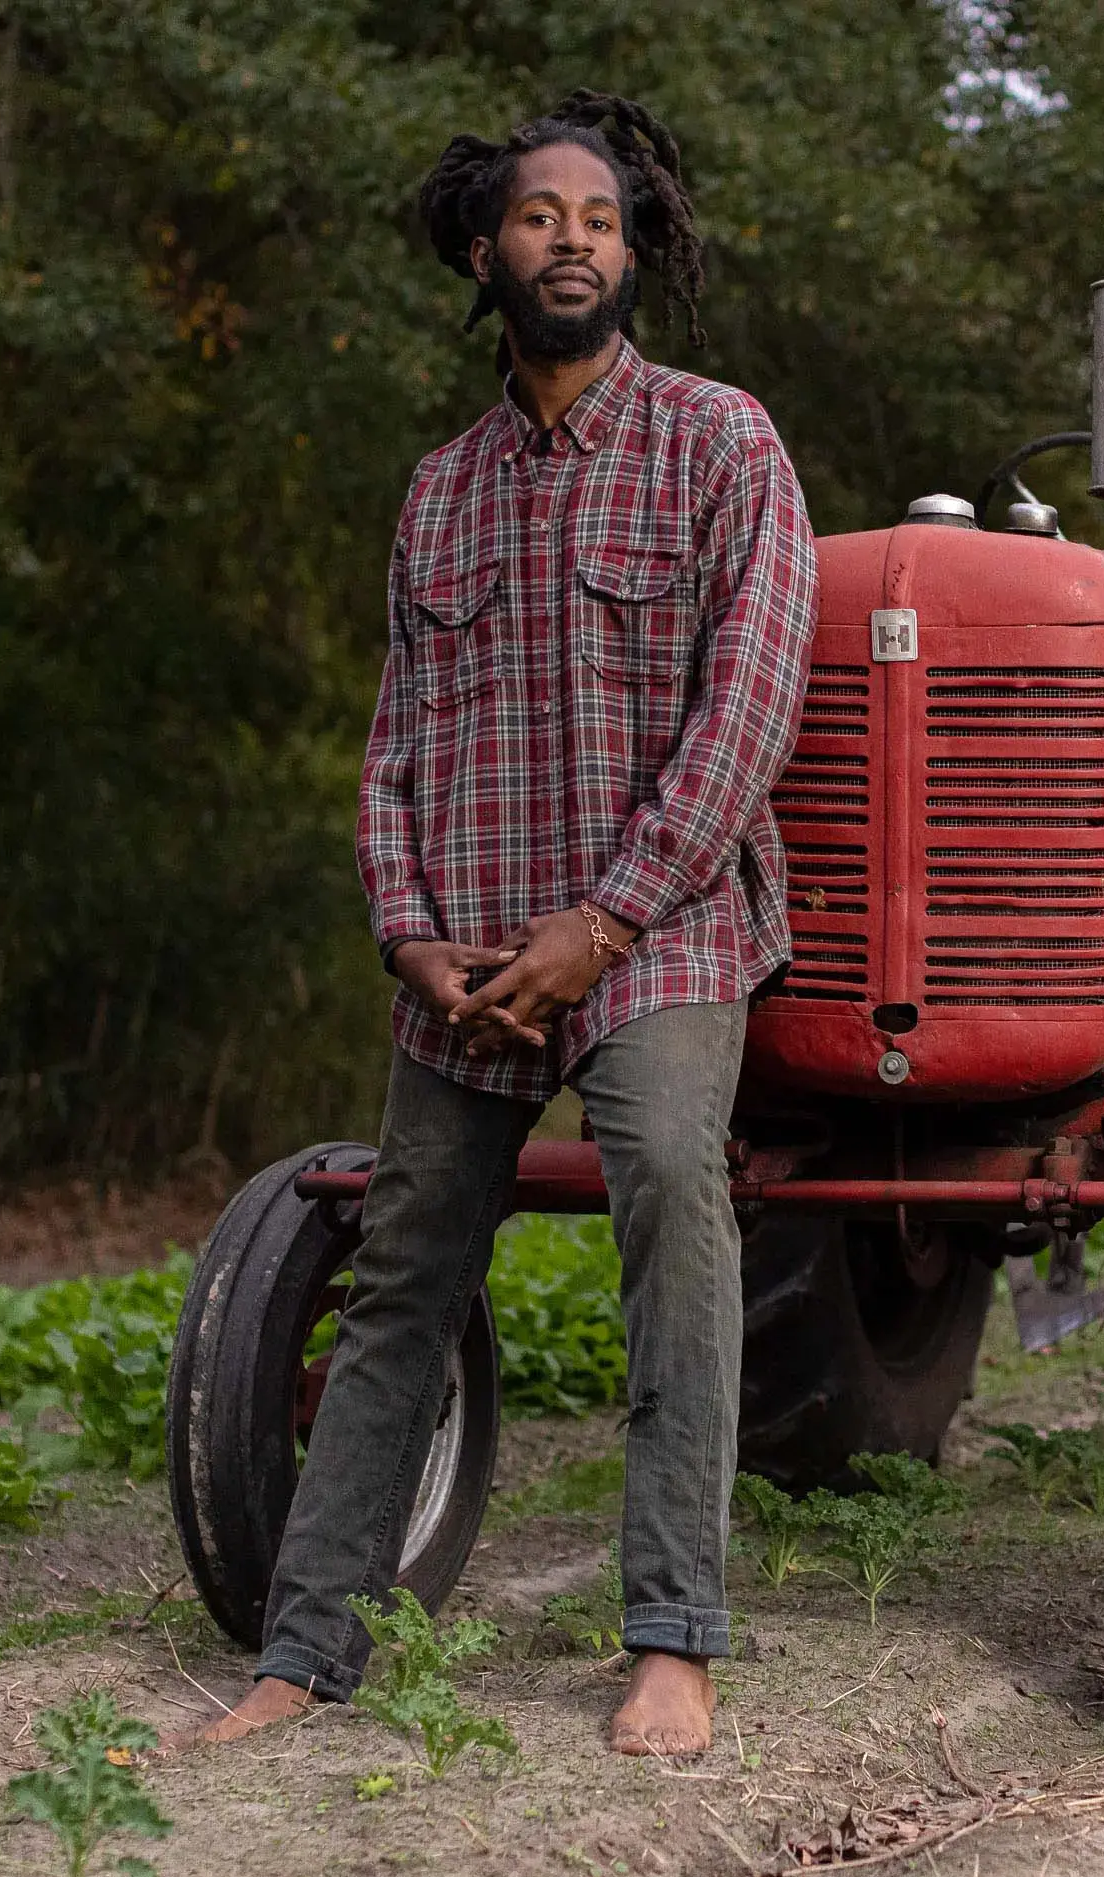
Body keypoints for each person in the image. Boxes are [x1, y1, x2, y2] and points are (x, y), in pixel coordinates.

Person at [191, 91, 812, 1758]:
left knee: (676, 1192)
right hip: (463, 966)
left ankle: (673, 1641)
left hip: (660, 934)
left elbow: (748, 716)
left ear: (636, 250)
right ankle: (300, 1658)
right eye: (542, 217)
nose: (575, 242)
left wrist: (600, 928)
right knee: (402, 1273)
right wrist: (411, 938)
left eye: (602, 220)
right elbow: (396, 743)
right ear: (486, 250)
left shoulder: (723, 443)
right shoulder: (440, 492)